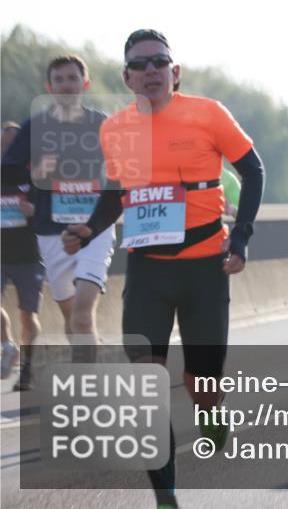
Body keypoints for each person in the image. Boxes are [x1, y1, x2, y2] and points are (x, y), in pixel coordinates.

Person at [61, 29, 265, 509]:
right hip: (148, 270)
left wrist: (241, 237)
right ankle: (166, 496)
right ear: (127, 78)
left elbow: (252, 170)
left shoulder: (208, 113)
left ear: (175, 72)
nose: (151, 71)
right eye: (141, 65)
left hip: (204, 268)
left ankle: (211, 412)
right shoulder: (113, 130)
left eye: (160, 62)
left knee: (203, 385)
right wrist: (89, 230)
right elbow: (116, 195)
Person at [2, 55, 115, 370]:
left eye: (72, 78)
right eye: (59, 80)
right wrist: (35, 169)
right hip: (51, 230)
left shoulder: (102, 124)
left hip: (94, 228)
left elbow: (126, 169)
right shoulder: (35, 127)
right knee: (71, 317)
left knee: (82, 315)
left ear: (84, 83)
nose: (66, 85)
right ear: (49, 87)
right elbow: (7, 172)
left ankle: (87, 391)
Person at [1, 122, 45, 388]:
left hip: (29, 254)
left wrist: (35, 210)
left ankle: (27, 368)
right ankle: (7, 345)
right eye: (4, 145)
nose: (8, 150)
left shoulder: (36, 175)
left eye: (13, 145)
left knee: (27, 315)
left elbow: (53, 209)